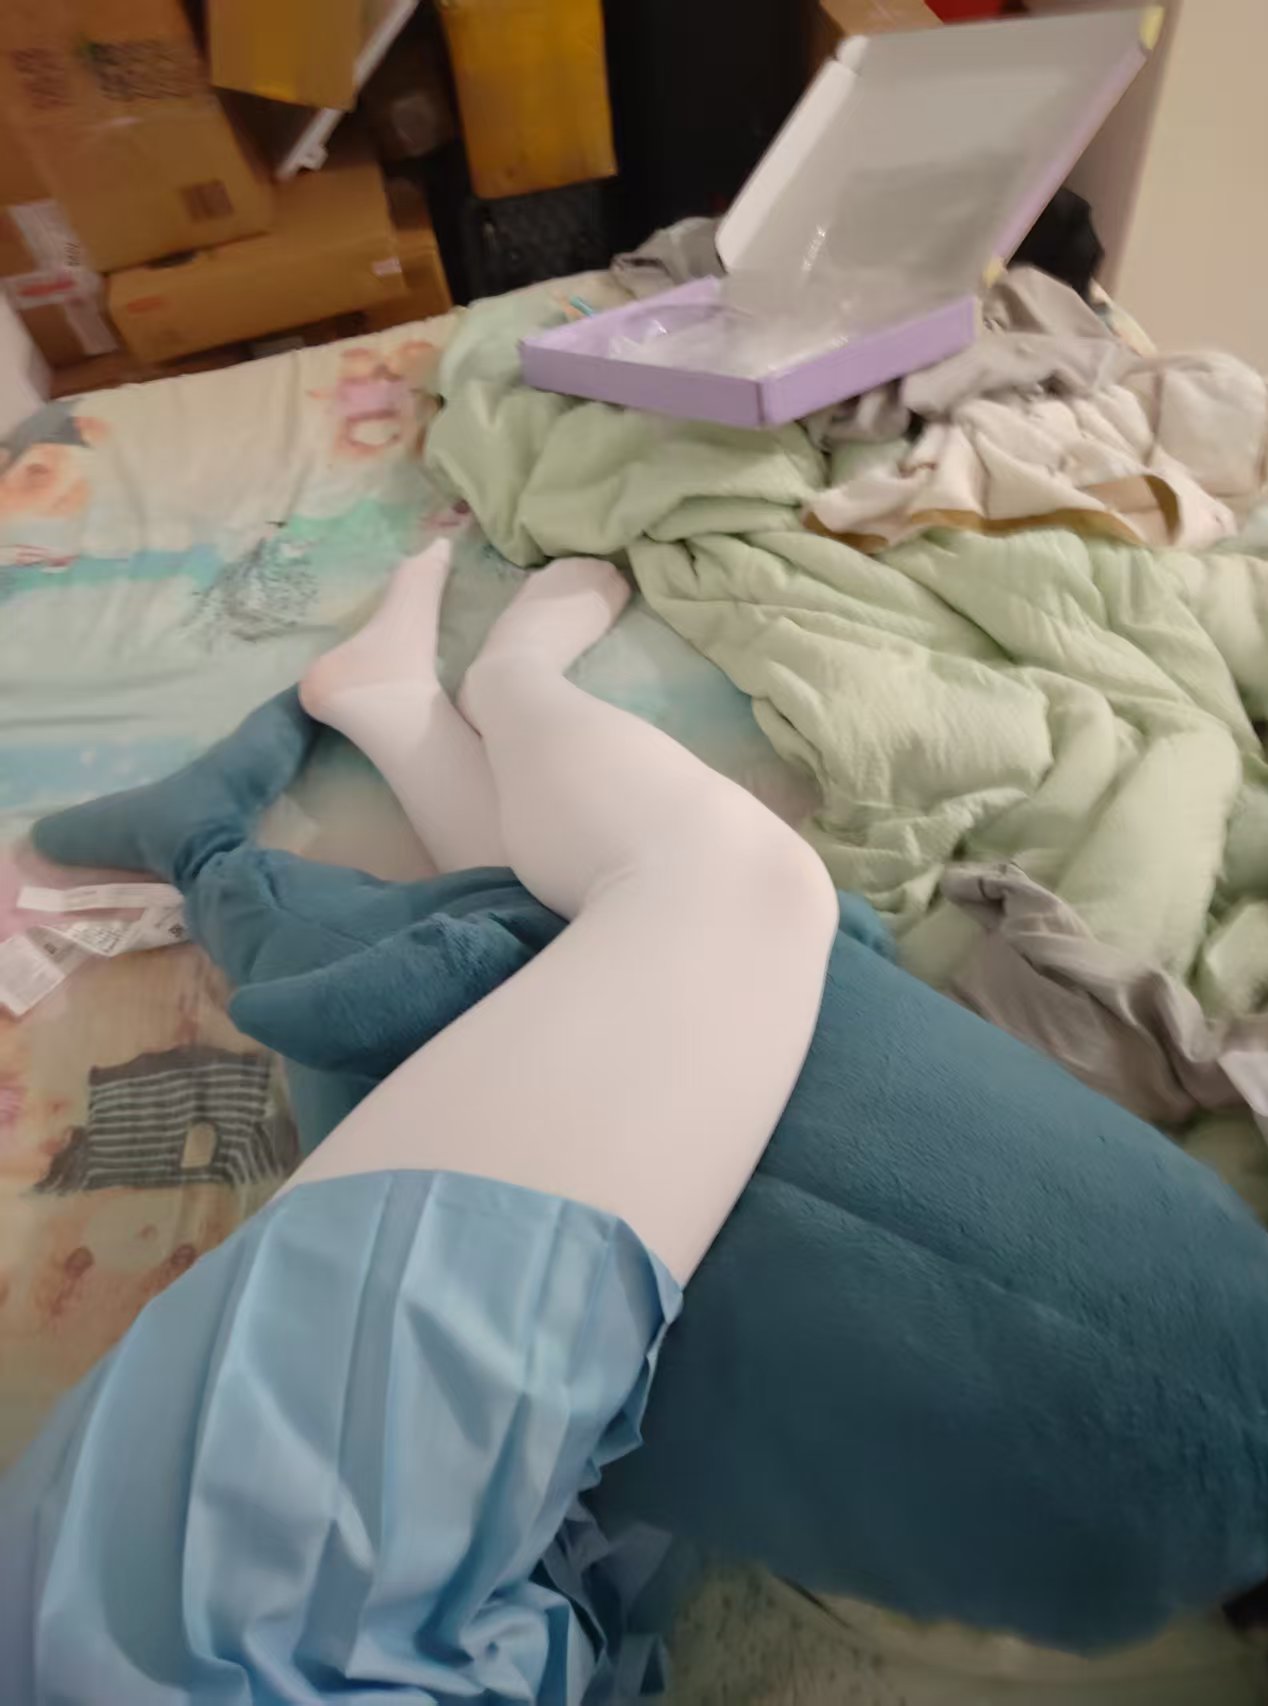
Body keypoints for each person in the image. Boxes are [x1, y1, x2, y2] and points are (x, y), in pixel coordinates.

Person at [0, 551, 838, 1702]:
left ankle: (503, 686)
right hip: (334, 1635)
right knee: (612, 950)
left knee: (739, 892)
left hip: (218, 1640)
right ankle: (406, 712)